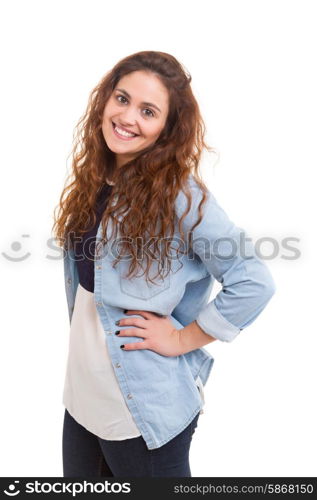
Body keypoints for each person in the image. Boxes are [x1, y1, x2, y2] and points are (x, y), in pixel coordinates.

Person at [52, 50, 276, 477]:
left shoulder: (182, 196)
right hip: (82, 402)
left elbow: (254, 281)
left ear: (166, 129)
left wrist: (180, 339)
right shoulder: (97, 179)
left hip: (142, 413)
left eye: (148, 111)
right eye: (122, 99)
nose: (128, 117)